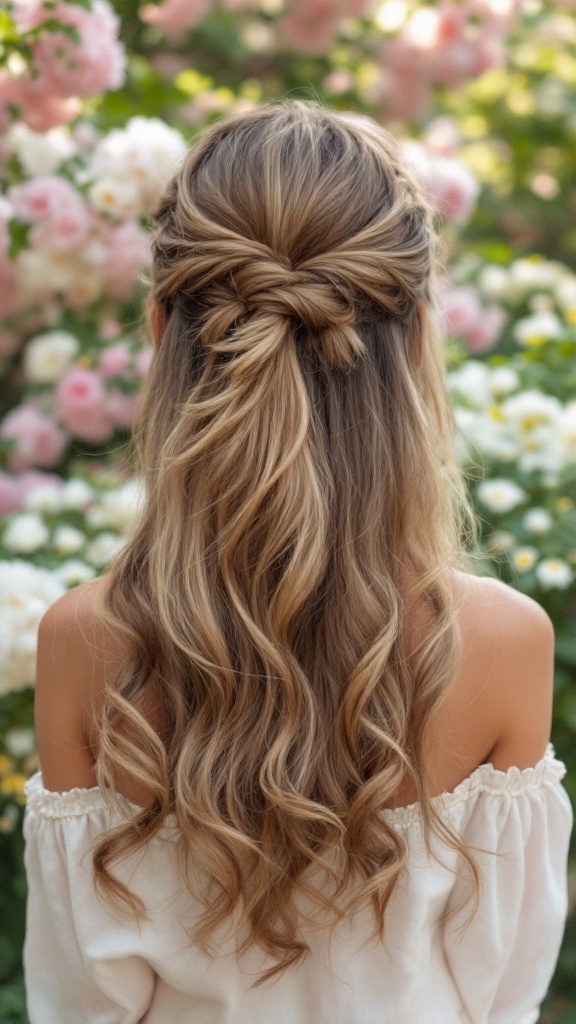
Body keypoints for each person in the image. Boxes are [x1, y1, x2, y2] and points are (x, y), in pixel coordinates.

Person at [23, 99, 572, 1024]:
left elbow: (86, 1003)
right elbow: (499, 995)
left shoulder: (85, 639)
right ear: (422, 339)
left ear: (162, 332)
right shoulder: (504, 641)